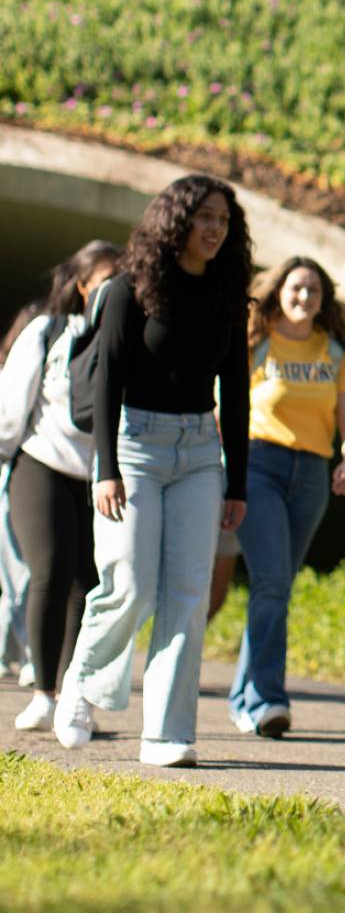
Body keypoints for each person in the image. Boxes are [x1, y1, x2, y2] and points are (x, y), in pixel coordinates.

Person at [56, 175, 251, 767]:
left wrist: (236, 480)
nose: (215, 229)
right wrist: (105, 470)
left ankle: (166, 735)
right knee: (131, 582)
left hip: (198, 454)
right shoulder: (128, 290)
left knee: (188, 596)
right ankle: (82, 681)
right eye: (204, 218)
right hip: (133, 448)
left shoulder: (226, 294)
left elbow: (236, 391)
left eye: (223, 219)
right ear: (176, 222)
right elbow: (106, 380)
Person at [229, 257, 345, 737]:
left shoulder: (333, 354)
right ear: (279, 291)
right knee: (270, 581)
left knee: (278, 587)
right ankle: (267, 700)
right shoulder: (255, 343)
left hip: (310, 473)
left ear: (323, 299)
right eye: (296, 288)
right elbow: (222, 407)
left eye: (313, 290)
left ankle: (245, 697)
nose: (304, 297)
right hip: (257, 465)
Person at [1, 242, 120, 732]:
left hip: (100, 477)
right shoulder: (48, 330)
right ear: (82, 283)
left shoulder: (125, 337)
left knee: (88, 585)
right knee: (50, 570)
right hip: (41, 463)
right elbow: (13, 402)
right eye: (106, 278)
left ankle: (75, 693)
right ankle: (43, 692)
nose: (115, 289)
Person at [0, 299, 43, 686]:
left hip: (16, 474)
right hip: (11, 473)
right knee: (18, 572)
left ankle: (21, 652)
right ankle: (25, 652)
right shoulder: (13, 375)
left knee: (20, 572)